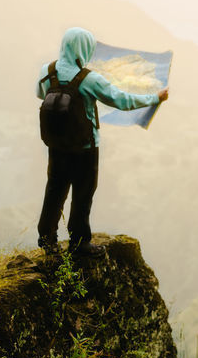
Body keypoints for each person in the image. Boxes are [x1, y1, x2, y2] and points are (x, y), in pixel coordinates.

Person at [36, 27, 169, 257]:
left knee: (55, 189)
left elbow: (41, 95)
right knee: (82, 192)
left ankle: (47, 238)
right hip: (85, 148)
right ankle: (79, 244)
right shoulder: (89, 79)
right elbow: (122, 101)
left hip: (56, 145)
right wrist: (154, 97)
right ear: (83, 49)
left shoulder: (46, 72)